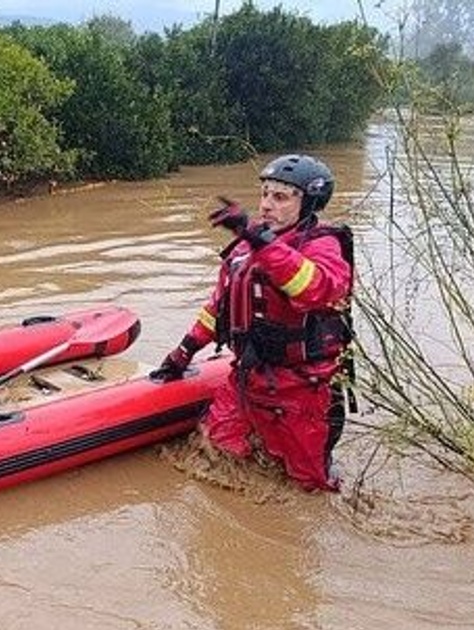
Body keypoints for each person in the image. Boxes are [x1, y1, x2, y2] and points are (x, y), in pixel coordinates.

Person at [152, 154, 354, 492]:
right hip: (248, 380)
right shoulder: (245, 248)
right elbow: (218, 307)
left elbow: (316, 290)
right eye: (264, 194)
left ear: (308, 203)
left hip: (301, 390)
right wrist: (183, 352)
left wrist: (261, 241)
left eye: (280, 197)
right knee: (216, 450)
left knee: (310, 488)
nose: (266, 205)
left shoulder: (324, 245)